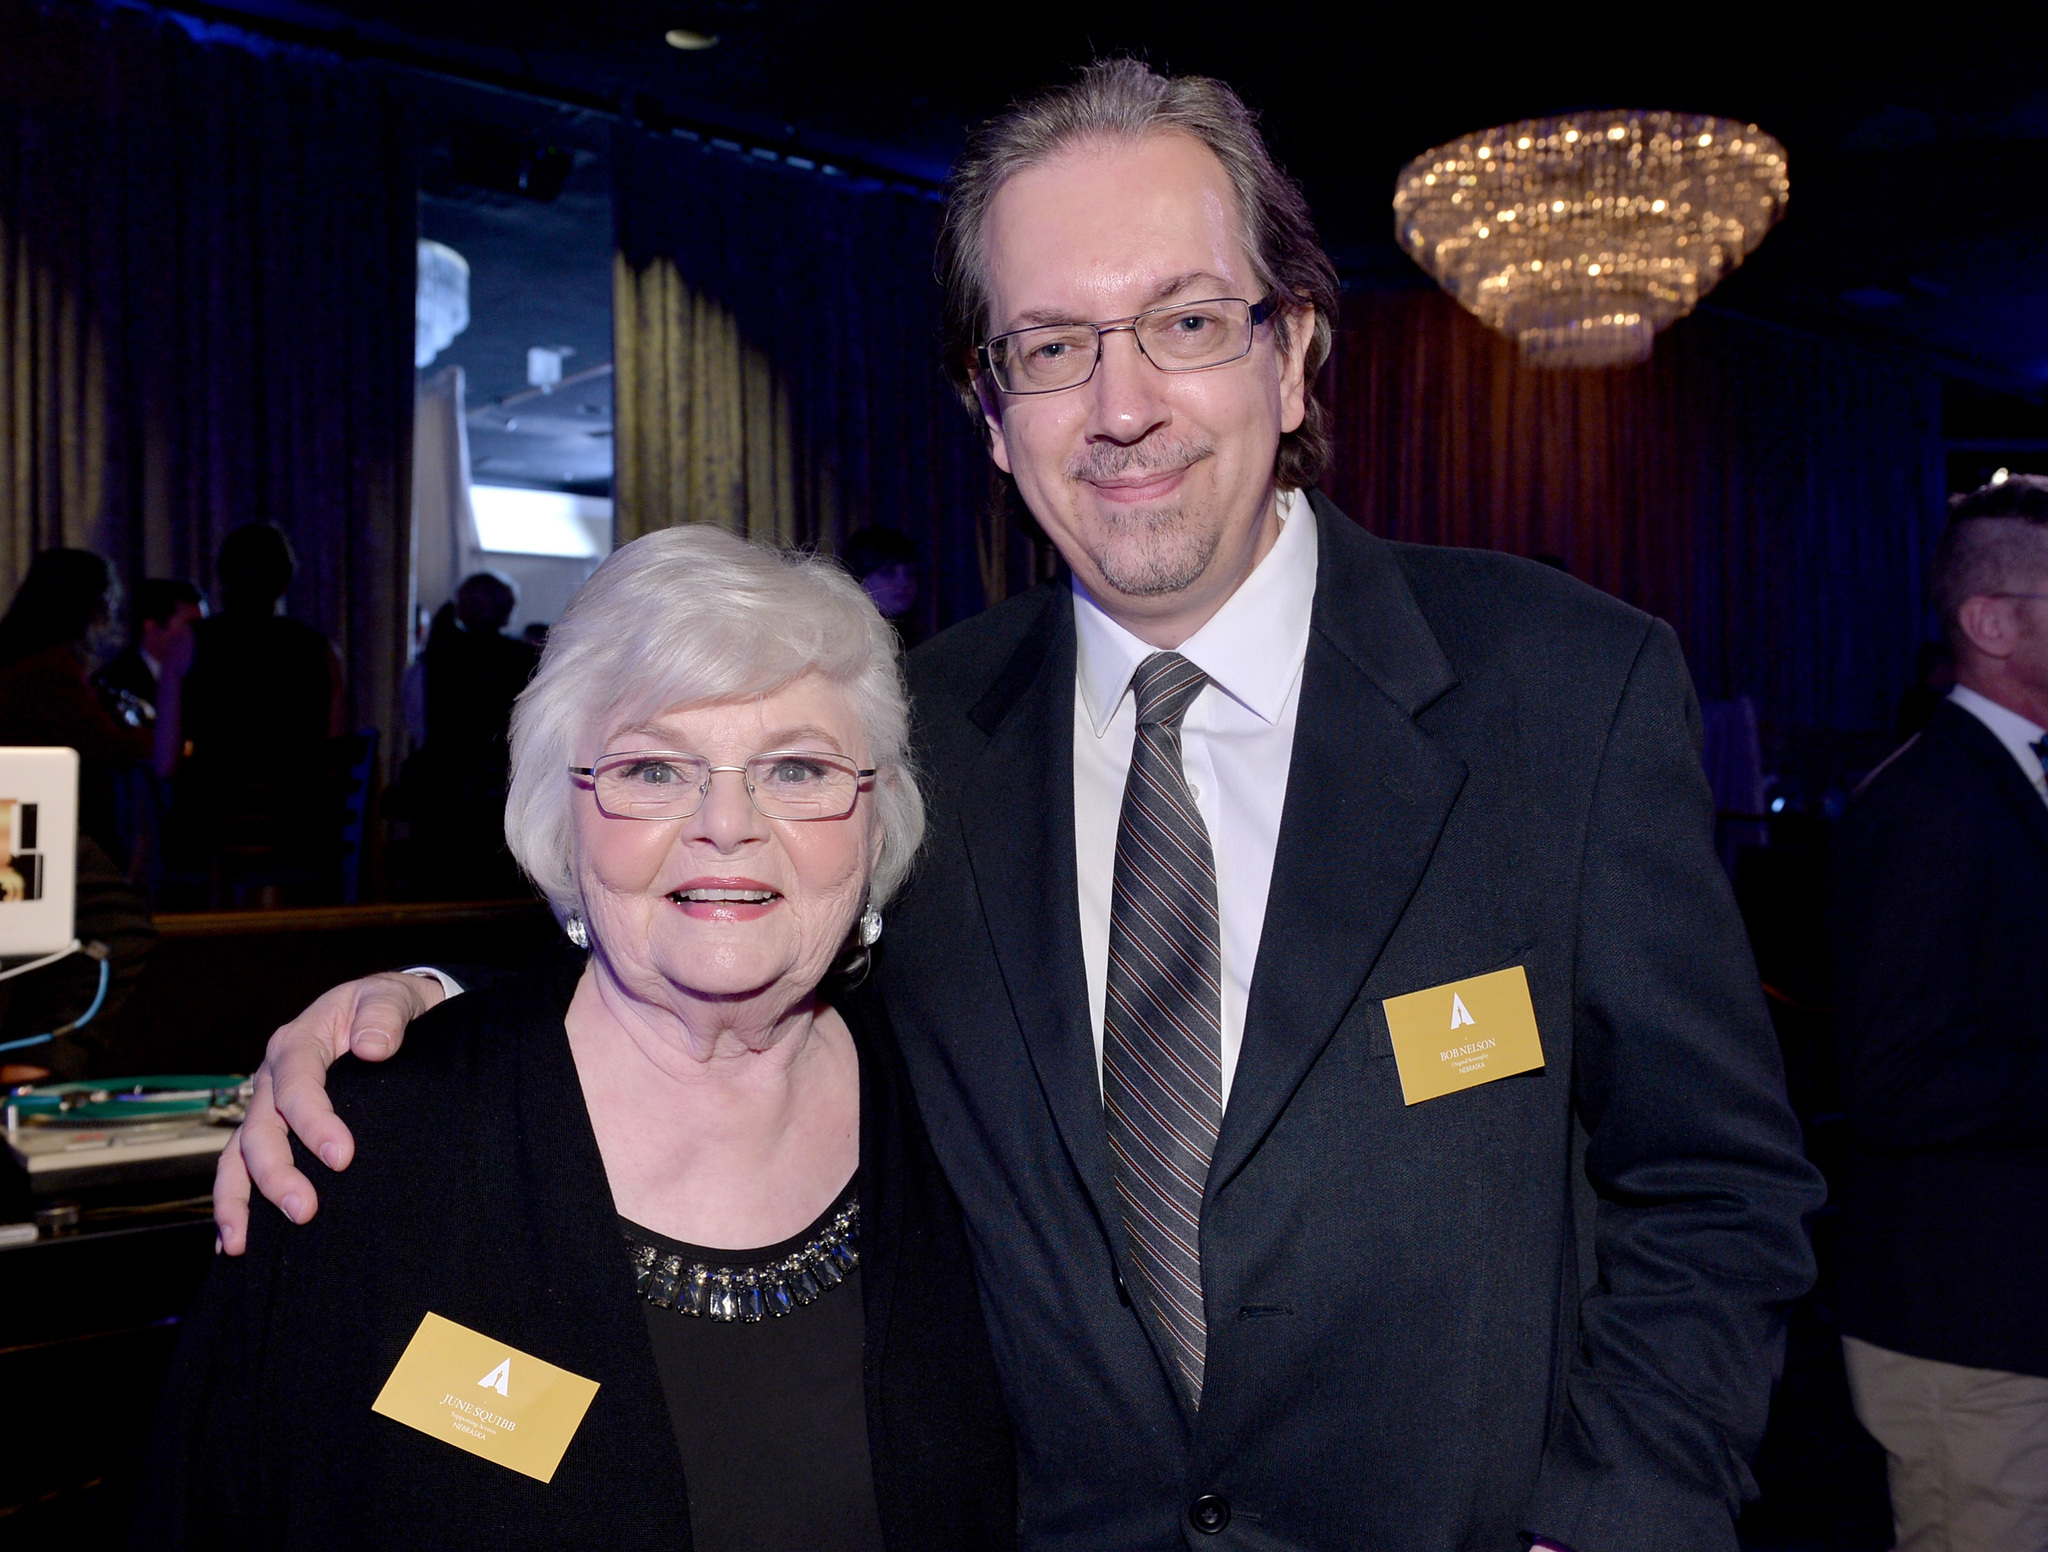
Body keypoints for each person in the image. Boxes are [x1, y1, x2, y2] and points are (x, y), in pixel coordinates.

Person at [217, 61, 1822, 1550]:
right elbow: (721, 954)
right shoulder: (916, 743)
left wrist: (1615, 1518)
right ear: (991, 416)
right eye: (1052, 348)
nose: (1121, 408)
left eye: (1185, 322)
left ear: (1295, 352)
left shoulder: (1562, 695)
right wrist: (427, 1027)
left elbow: (1715, 1183)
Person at [137, 526, 1013, 1548]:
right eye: (652, 770)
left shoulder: (966, 1108)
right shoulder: (362, 1143)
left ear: (876, 821)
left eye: (795, 769)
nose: (724, 822)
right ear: (564, 814)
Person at [1830, 473, 2048, 1551]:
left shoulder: (2009, 786)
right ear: (1990, 623)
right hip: (1970, 1325)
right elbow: (1892, 1082)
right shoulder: (1922, 807)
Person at [173, 523, 346, 904]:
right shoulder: (321, 651)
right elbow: (333, 754)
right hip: (301, 831)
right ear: (285, 581)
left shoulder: (191, 642)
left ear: (222, 577)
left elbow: (165, 757)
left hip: (211, 837)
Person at [0, 549, 186, 860]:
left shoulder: (22, 655)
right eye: (106, 603)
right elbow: (102, 742)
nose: (108, 616)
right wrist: (172, 740)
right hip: (38, 817)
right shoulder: (51, 665)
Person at [397, 572, 541, 898]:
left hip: (439, 797)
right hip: (502, 798)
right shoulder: (525, 662)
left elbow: (418, 729)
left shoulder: (430, 663)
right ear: (507, 611)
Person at [96, 577, 205, 722]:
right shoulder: (112, 682)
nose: (200, 635)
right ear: (151, 625)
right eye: (191, 626)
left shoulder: (206, 678)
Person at [841, 526, 922, 650]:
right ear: (859, 578)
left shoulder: (914, 637)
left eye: (910, 573)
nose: (904, 582)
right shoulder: (846, 640)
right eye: (888, 573)